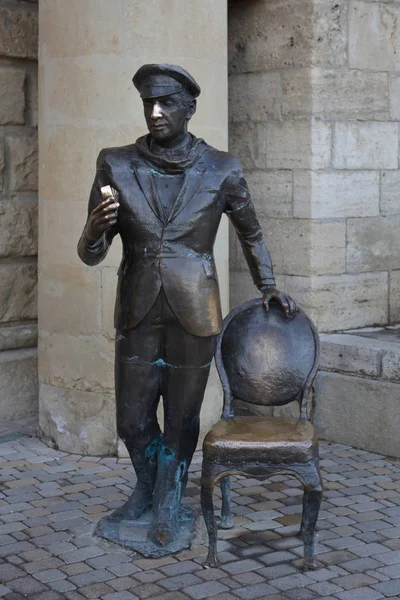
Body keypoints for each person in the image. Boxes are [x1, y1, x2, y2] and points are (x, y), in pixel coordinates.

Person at [78, 64, 297, 548]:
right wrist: (94, 230)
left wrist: (269, 283)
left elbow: (251, 231)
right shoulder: (114, 163)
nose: (155, 113)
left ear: (190, 108)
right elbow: (90, 253)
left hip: (195, 308)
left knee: (181, 416)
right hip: (136, 306)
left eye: (167, 103)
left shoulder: (222, 167)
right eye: (147, 104)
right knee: (132, 420)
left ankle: (165, 502)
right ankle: (149, 487)